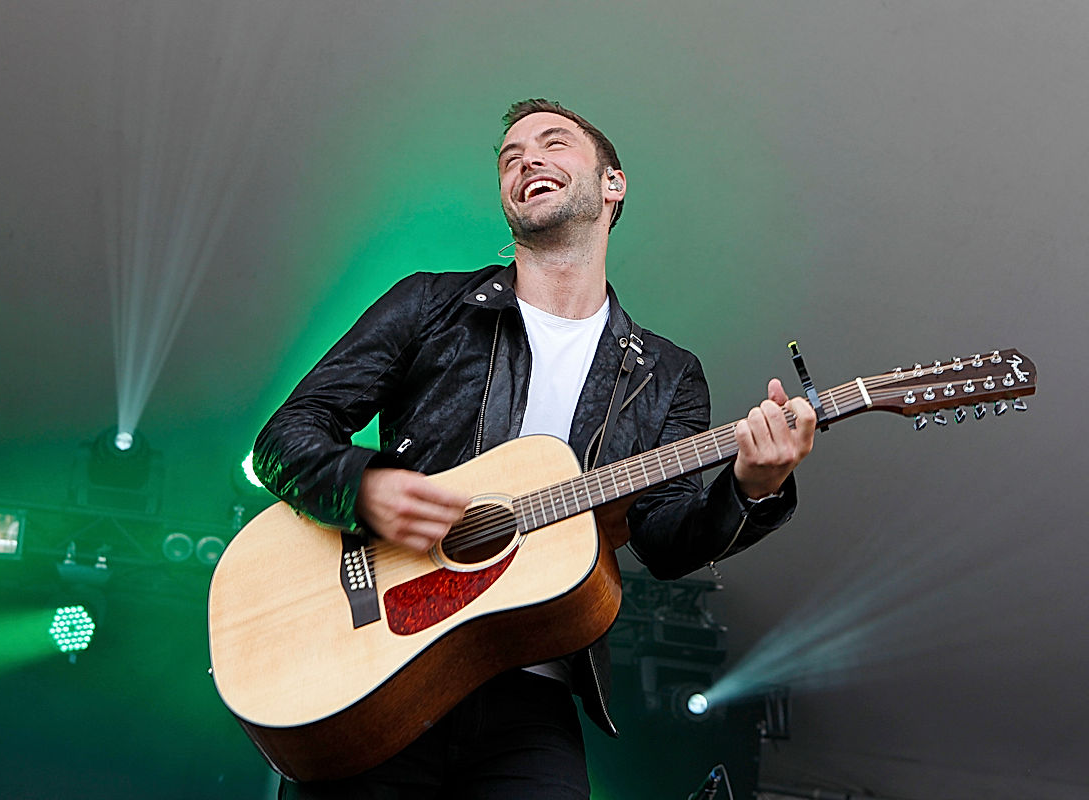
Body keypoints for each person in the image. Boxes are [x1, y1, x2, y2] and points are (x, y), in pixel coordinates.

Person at [254, 98, 816, 799]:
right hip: (379, 675)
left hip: (533, 698)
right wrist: (363, 487)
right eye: (510, 159)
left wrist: (752, 489)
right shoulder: (429, 307)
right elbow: (286, 436)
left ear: (613, 184)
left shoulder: (667, 376)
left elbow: (667, 544)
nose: (528, 162)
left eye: (554, 144)